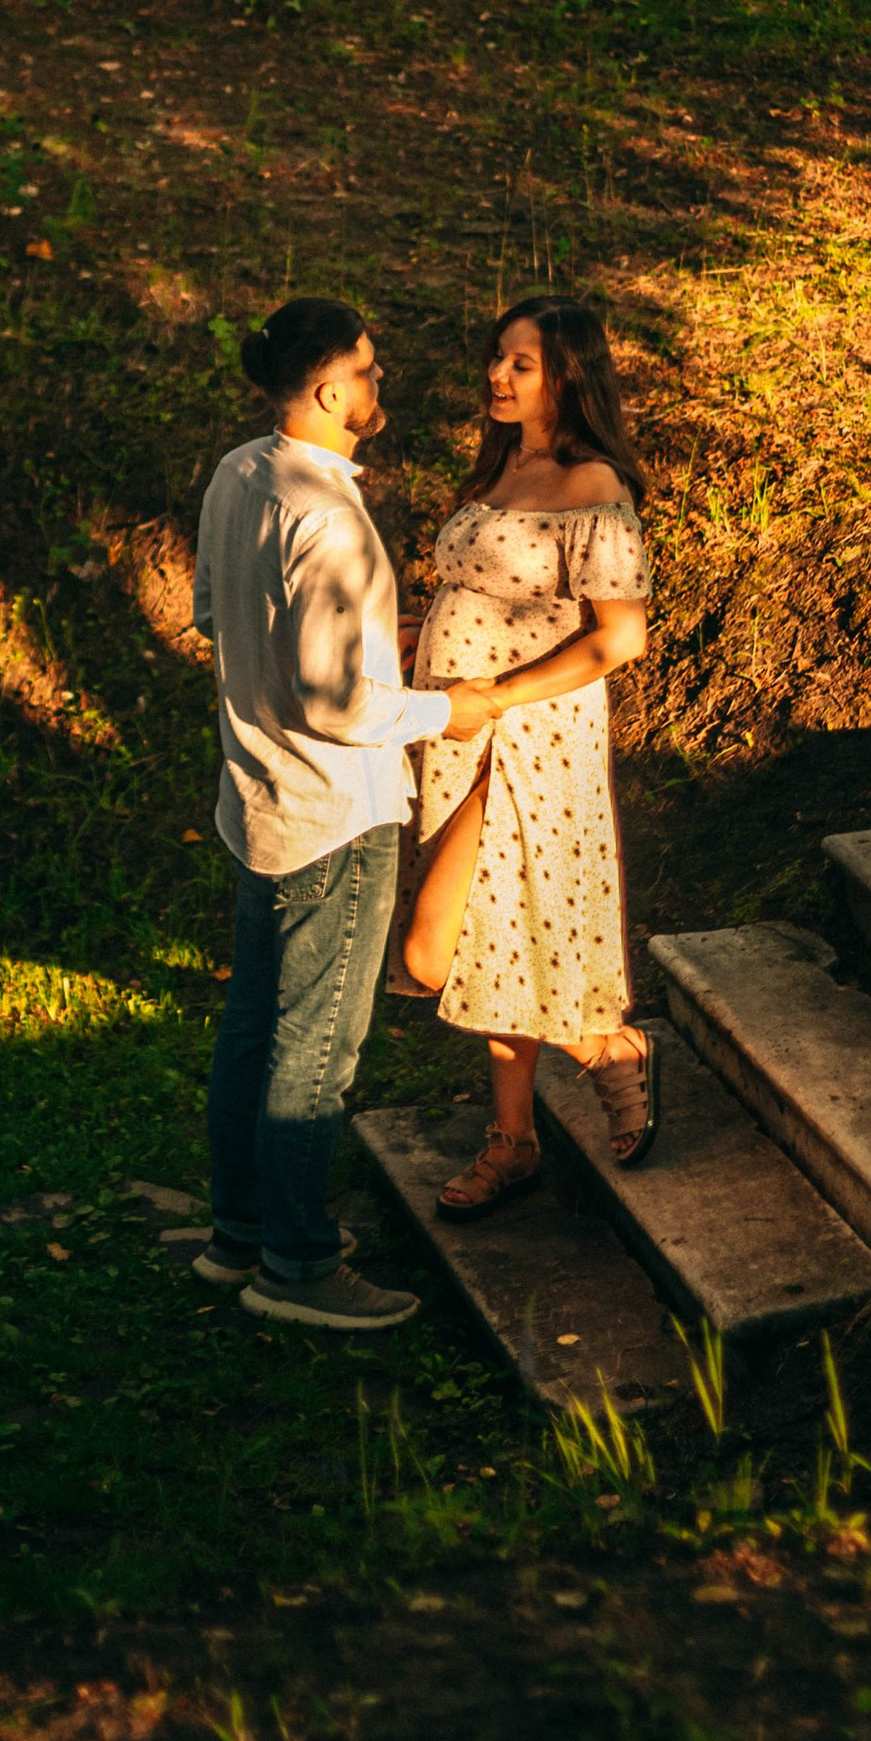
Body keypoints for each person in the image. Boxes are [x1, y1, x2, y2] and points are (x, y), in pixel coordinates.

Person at [192, 296, 500, 1331]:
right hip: (332, 814)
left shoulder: (240, 473)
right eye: (369, 371)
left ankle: (238, 1231)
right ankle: (295, 1265)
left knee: (253, 1028)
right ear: (328, 390)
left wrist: (375, 636)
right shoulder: (328, 517)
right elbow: (345, 706)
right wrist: (453, 710)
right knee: (314, 1047)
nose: (380, 386)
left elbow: (217, 614)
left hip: (254, 796)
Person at [397, 296, 656, 1215]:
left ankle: (604, 1049)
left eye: (522, 365)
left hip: (528, 739)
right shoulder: (504, 462)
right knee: (497, 938)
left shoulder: (594, 487)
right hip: (454, 725)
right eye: (498, 359)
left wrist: (497, 696)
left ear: (569, 377)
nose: (497, 377)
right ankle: (513, 1141)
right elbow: (476, 590)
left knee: (434, 952)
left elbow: (617, 639)